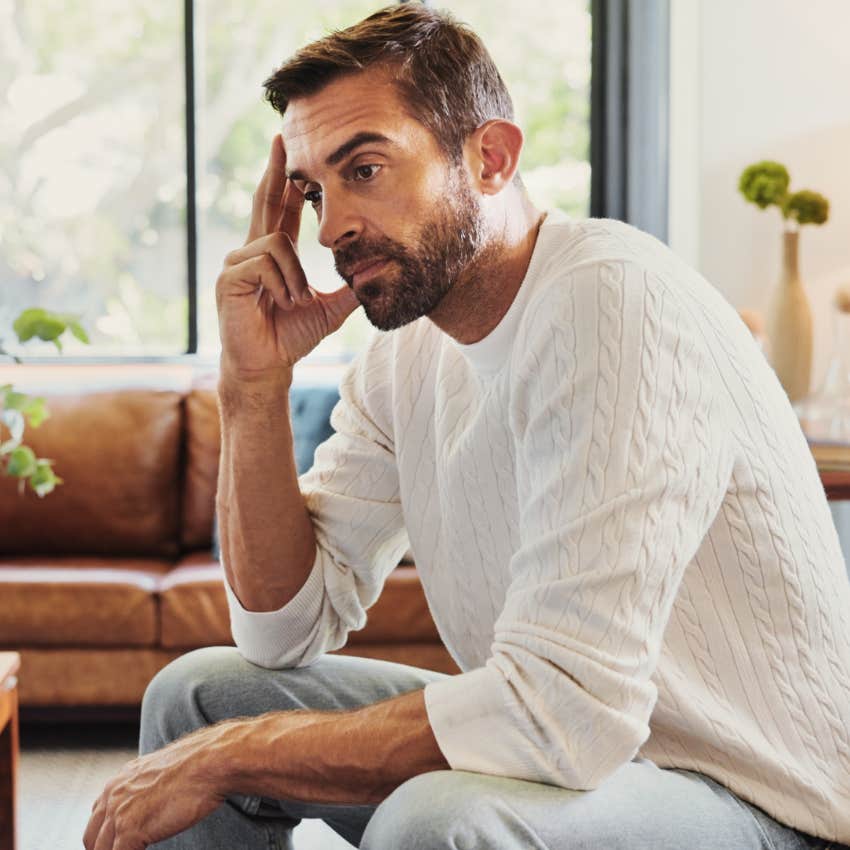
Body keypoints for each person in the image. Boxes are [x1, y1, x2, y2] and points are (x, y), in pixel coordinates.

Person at [84, 4, 850, 849]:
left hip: (764, 803)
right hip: (585, 763)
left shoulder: (613, 304)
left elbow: (560, 711)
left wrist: (233, 759)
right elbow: (280, 631)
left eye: (365, 169)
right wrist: (252, 386)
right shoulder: (405, 355)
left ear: (491, 158)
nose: (332, 227)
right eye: (315, 191)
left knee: (434, 823)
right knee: (200, 700)